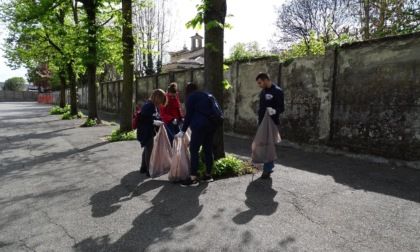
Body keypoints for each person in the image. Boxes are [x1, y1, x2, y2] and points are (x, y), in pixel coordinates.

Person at [175, 83, 218, 187]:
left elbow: (188, 115)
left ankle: (193, 178)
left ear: (187, 91)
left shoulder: (191, 97)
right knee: (208, 149)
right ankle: (208, 175)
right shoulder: (207, 94)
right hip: (212, 125)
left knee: (194, 150)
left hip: (200, 126)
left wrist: (183, 130)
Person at [256, 72, 284, 179]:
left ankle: (267, 170)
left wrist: (274, 111)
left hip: (272, 123)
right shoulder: (263, 91)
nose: (259, 85)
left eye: (260, 83)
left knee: (269, 146)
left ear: (266, 80)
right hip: (262, 122)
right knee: (262, 145)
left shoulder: (278, 91)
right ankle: (269, 166)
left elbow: (282, 108)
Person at [137, 89, 167, 177]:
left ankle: (143, 167)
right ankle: (148, 170)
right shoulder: (149, 105)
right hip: (146, 130)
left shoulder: (152, 105)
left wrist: (158, 122)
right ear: (157, 98)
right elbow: (144, 119)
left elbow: (156, 116)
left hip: (149, 130)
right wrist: (154, 122)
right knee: (149, 149)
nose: (161, 103)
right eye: (161, 100)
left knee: (147, 147)